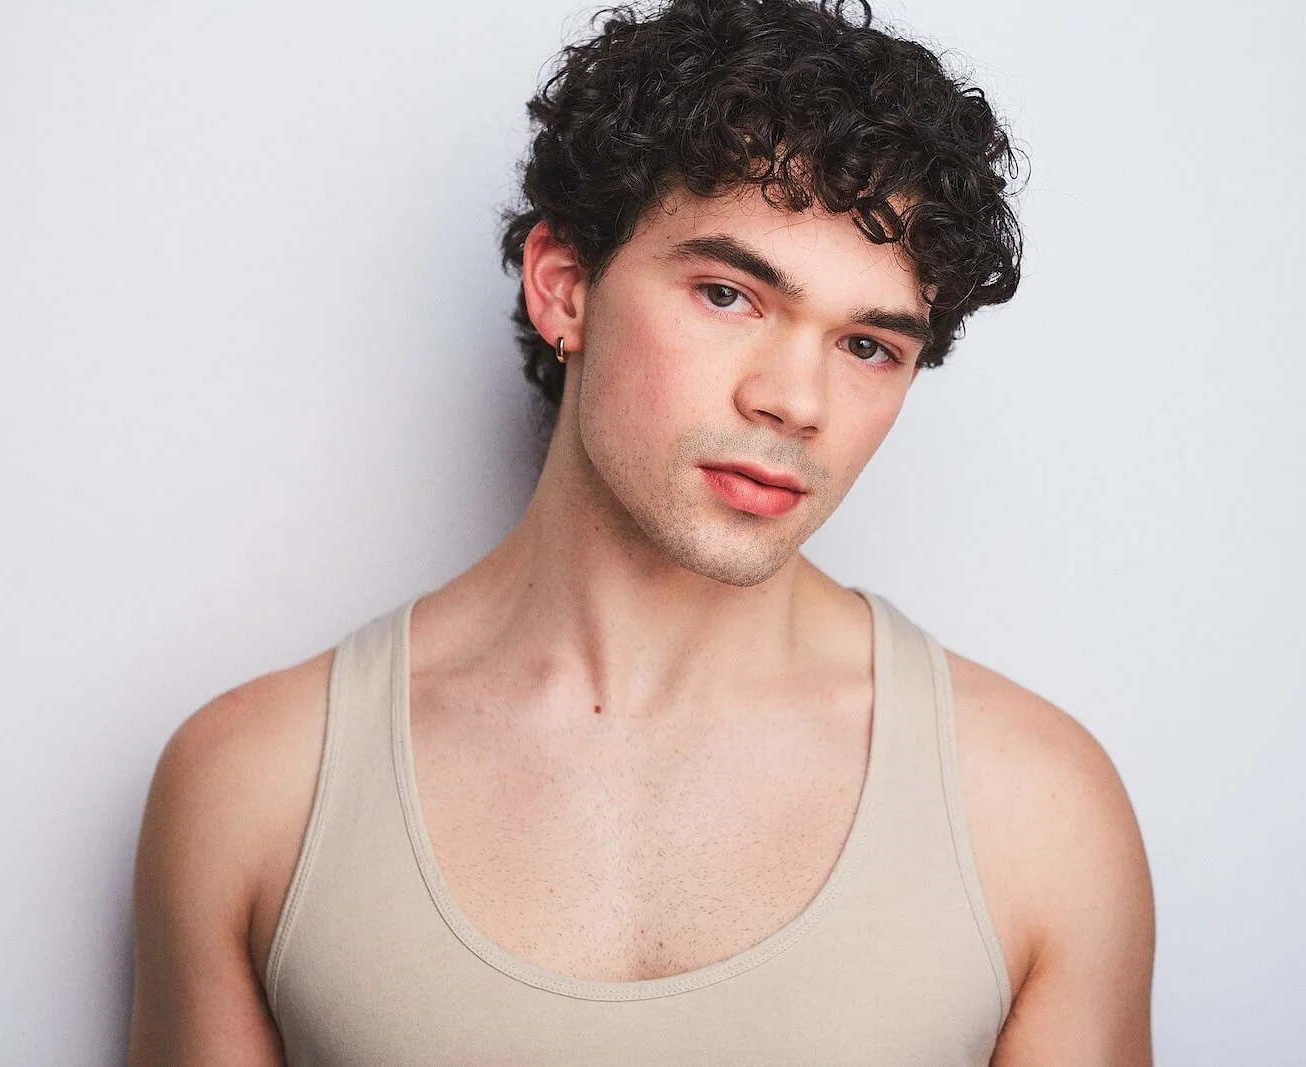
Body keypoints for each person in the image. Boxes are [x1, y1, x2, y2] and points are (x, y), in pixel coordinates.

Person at [127, 0, 1155, 1062]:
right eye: (727, 293)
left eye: (866, 345)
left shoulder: (1036, 810)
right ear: (564, 288)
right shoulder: (258, 784)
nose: (794, 399)